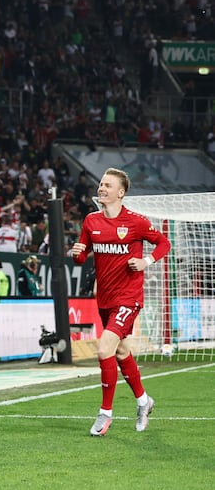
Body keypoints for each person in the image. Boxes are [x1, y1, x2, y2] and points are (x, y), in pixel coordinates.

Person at [71, 167, 170, 436]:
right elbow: (81, 257)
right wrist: (77, 253)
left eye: (107, 185)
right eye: (101, 184)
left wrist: (146, 261)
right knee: (122, 352)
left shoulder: (136, 222)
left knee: (104, 350)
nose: (101, 188)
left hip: (128, 298)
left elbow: (163, 243)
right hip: (104, 298)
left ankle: (105, 414)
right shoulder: (91, 221)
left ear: (121, 193)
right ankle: (143, 401)